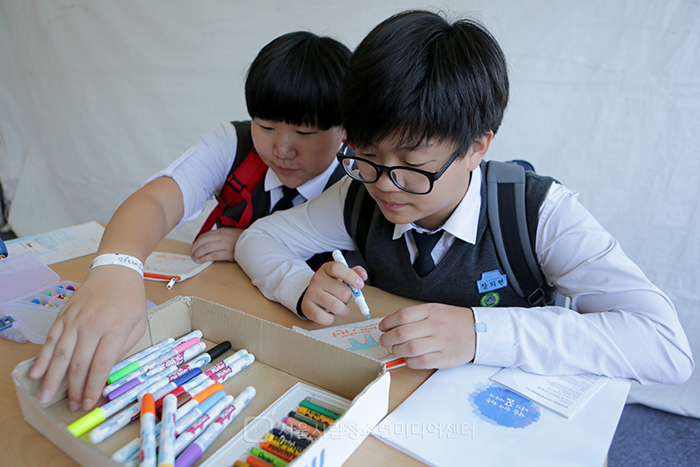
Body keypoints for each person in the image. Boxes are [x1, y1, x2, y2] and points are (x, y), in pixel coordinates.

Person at [235, 10, 694, 385]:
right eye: (367, 155)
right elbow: (260, 238)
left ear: (476, 146)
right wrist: (299, 286)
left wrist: (479, 333)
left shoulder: (537, 213)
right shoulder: (357, 196)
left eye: (413, 164)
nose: (386, 185)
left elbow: (665, 345)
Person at [29, 31, 351, 411]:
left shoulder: (365, 179)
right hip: (219, 339)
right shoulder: (234, 145)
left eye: (304, 133)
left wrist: (246, 242)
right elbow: (157, 201)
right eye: (265, 127)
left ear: (346, 129)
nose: (281, 149)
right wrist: (116, 268)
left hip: (312, 353)